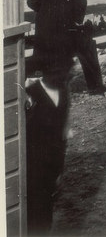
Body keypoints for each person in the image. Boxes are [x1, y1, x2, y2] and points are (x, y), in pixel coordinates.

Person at [25, 63, 71, 235]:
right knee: (34, 209)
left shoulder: (64, 93)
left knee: (47, 206)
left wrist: (59, 168)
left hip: (53, 160)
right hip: (33, 163)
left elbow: (63, 130)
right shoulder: (31, 93)